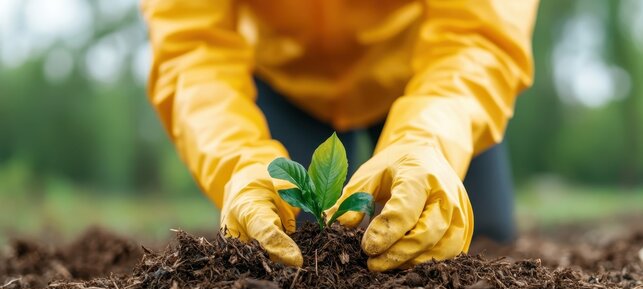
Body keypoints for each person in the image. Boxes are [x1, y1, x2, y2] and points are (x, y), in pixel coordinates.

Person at [142, 0, 538, 271]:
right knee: (290, 240)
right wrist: (237, 161)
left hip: (426, 73)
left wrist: (428, 138)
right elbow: (192, 49)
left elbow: (481, 35)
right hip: (286, 81)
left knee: (474, 239)